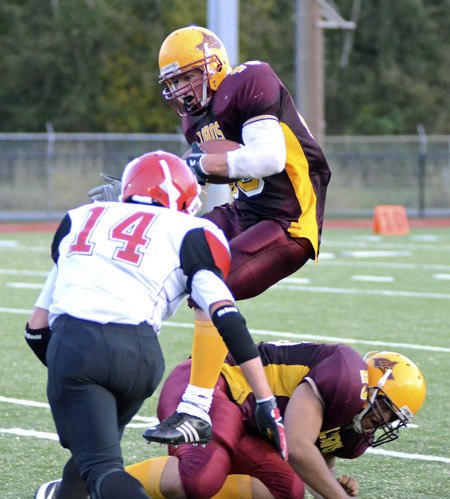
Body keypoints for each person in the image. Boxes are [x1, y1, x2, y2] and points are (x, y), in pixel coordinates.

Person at [88, 25, 332, 444]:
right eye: (173, 82)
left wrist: (199, 166)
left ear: (213, 63)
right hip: (246, 211)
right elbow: (191, 190)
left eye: (187, 76)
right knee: (169, 250)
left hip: (288, 219)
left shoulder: (250, 82)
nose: (182, 89)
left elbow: (268, 158)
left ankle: (196, 408)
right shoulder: (195, 120)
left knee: (210, 286)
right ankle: (124, 343)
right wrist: (138, 199)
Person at [29, 151, 285, 499]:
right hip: (141, 359)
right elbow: (226, 316)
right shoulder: (194, 230)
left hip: (79, 344)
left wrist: (72, 372)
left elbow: (36, 328)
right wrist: (265, 398)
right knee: (90, 458)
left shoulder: (80, 218)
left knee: (102, 469)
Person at [33, 342, 426, 499]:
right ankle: (81, 490)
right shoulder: (343, 373)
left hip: (248, 423)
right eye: (386, 408)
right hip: (213, 385)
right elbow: (301, 447)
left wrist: (330, 479)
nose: (383, 420)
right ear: (373, 386)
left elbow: (316, 454)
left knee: (286, 490)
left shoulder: (358, 430)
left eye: (393, 417)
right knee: (200, 478)